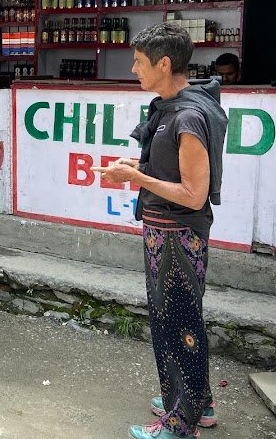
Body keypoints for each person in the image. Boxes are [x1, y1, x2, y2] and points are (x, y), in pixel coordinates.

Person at [93, 23, 228, 439]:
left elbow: (192, 194)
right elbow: (170, 172)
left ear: (164, 64)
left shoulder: (188, 116)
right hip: (163, 231)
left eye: (138, 62)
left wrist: (138, 180)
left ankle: (180, 423)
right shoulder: (172, 107)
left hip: (178, 234)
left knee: (178, 324)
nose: (134, 69)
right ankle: (195, 402)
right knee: (177, 320)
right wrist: (138, 169)